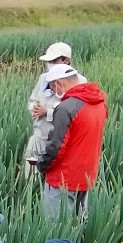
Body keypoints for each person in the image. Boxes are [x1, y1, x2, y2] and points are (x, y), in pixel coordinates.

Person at [37, 64, 108, 220]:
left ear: (60, 83)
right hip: (87, 177)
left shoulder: (66, 107)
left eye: (53, 88)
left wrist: (42, 165)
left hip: (63, 178)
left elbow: (56, 146)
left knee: (55, 229)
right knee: (79, 226)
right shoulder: (100, 104)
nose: (55, 93)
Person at [25, 43, 86, 176]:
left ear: (66, 61)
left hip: (60, 141)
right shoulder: (43, 78)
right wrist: (34, 109)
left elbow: (77, 113)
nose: (51, 64)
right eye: (49, 61)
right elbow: (33, 99)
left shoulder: (79, 81)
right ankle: (30, 195)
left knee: (55, 178)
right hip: (39, 136)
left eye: (55, 60)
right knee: (30, 174)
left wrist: (47, 112)